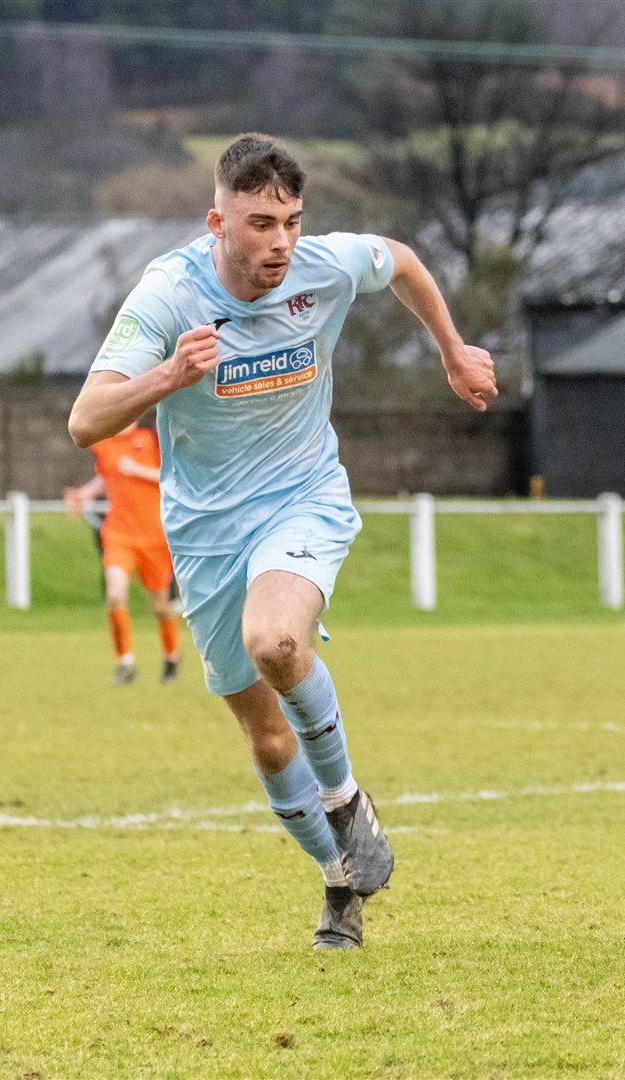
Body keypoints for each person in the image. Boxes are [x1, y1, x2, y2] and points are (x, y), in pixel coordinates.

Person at [67, 134, 497, 950]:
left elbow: (401, 259)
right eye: (261, 223)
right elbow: (85, 420)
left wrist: (451, 350)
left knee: (275, 640)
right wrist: (166, 378)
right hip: (204, 530)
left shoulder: (323, 267)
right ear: (217, 221)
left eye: (292, 221)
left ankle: (346, 801)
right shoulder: (168, 294)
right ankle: (339, 882)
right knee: (265, 736)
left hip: (303, 497)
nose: (280, 242)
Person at [64, 419, 183, 685]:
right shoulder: (104, 444)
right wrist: (83, 495)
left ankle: (172, 655)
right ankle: (125, 661)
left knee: (161, 605)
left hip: (153, 536)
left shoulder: (150, 438)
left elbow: (171, 476)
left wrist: (137, 469)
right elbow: (107, 476)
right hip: (119, 534)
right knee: (115, 594)